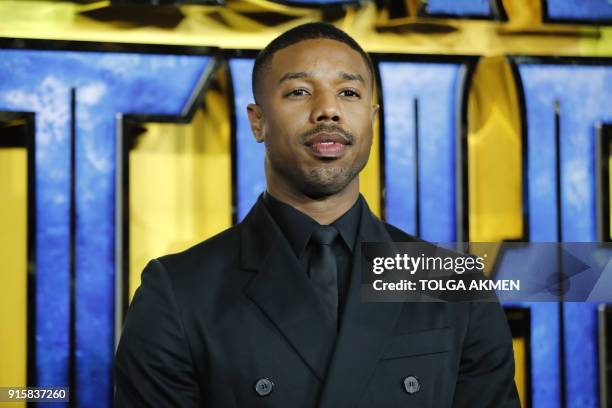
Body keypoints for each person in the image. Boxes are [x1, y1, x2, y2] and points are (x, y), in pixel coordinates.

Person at [114, 22, 520, 407]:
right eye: (298, 92)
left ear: (372, 120)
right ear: (257, 122)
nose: (328, 110)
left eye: (348, 93)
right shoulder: (179, 291)